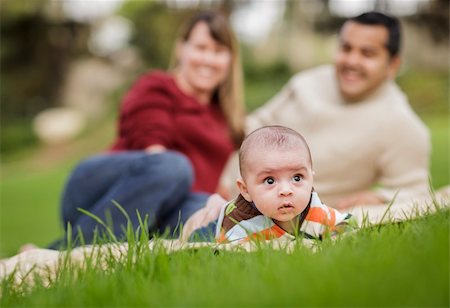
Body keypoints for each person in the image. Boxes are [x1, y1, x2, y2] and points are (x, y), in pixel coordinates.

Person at [47, 10, 245, 248]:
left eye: (218, 51)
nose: (208, 59)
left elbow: (213, 178)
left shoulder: (225, 117)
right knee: (174, 166)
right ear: (182, 49)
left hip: (165, 210)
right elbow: (154, 152)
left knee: (216, 213)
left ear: (230, 59)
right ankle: (58, 253)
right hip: (102, 193)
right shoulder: (157, 86)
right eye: (201, 48)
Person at [219, 11, 431, 210]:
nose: (352, 61)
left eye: (367, 53)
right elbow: (255, 123)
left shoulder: (400, 123)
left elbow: (417, 191)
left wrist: (380, 197)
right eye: (346, 48)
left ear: (393, 65)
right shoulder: (307, 82)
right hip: (220, 178)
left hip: (267, 213)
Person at [182, 126, 352, 243]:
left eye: (297, 178)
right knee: (194, 236)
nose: (286, 191)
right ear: (246, 190)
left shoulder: (315, 210)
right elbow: (230, 256)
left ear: (311, 179)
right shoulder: (240, 225)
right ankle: (211, 209)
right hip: (217, 225)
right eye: (270, 180)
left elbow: (345, 225)